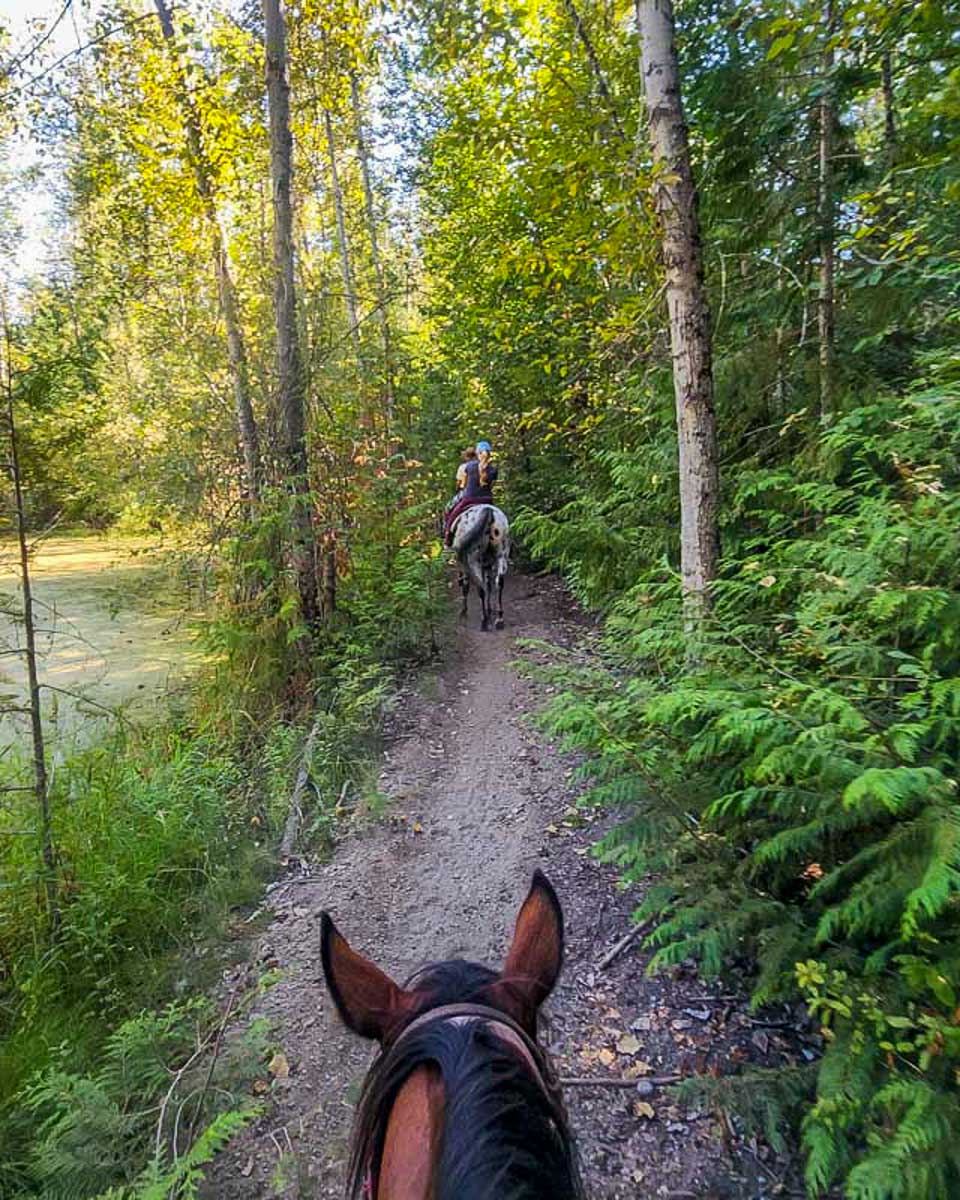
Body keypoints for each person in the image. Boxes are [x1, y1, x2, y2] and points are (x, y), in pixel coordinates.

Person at [443, 440, 499, 545]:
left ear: (478, 453)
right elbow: (491, 485)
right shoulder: (493, 469)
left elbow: (463, 484)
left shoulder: (469, 466)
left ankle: (448, 538)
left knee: (453, 515)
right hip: (487, 500)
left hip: (470, 498)